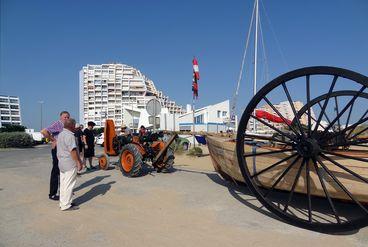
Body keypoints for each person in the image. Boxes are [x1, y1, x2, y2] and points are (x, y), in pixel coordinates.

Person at [41, 111, 70, 201]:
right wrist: (53, 140)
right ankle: (53, 194)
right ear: (60, 117)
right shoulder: (58, 124)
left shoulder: (66, 126)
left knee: (63, 170)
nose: (67, 119)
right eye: (65, 117)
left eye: (68, 117)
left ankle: (62, 191)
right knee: (56, 171)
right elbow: (44, 131)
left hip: (63, 151)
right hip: (57, 150)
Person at [57, 118, 83, 211]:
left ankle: (63, 202)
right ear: (72, 125)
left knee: (64, 184)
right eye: (75, 125)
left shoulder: (60, 134)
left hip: (62, 163)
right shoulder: (70, 136)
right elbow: (73, 151)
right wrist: (78, 163)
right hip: (69, 163)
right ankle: (66, 205)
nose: (76, 126)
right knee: (69, 185)